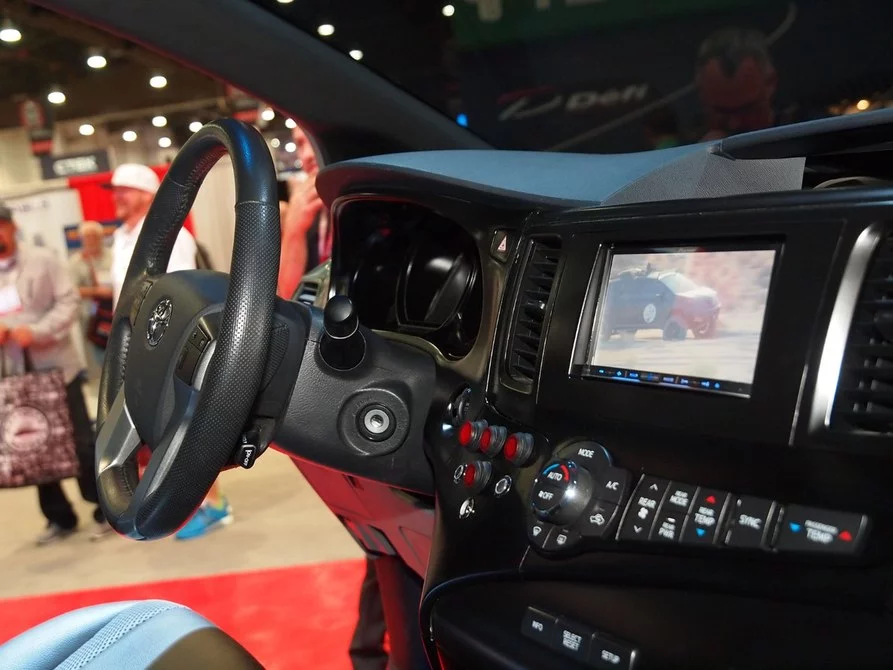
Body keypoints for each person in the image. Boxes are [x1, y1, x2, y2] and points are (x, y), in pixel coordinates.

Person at [278, 125, 387, 670]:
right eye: (293, 138)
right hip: (323, 385)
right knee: (377, 540)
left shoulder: (366, 200)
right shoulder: (308, 208)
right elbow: (278, 305)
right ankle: (371, 651)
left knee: (386, 541)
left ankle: (373, 652)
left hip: (372, 385)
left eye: (304, 134)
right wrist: (293, 229)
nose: (299, 147)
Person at [106, 163, 232, 540]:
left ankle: (213, 505)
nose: (116, 197)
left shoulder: (173, 239)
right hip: (134, 349)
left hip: (163, 350)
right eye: (114, 190)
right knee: (154, 430)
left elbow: (174, 301)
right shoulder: (122, 238)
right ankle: (181, 500)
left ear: (147, 195)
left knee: (184, 426)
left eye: (124, 190)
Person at [0, 205, 111, 544]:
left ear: (12, 226)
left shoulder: (43, 260)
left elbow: (68, 303)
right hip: (15, 374)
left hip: (57, 367)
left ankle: (103, 508)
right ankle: (59, 517)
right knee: (31, 444)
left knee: (78, 440)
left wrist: (36, 331)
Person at [695, 28, 778, 141]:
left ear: (770, 83)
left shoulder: (803, 135)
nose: (734, 124)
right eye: (722, 112)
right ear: (701, 93)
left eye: (746, 110)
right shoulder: (684, 149)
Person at [278, 126, 328, 299]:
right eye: (300, 143)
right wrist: (294, 231)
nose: (307, 155)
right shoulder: (307, 212)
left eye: (314, 139)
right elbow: (287, 297)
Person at [69, 221, 113, 375]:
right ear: (81, 239)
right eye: (87, 237)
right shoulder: (76, 261)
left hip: (115, 310)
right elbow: (72, 290)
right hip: (91, 315)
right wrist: (96, 291)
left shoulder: (113, 255)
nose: (91, 240)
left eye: (94, 236)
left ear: (101, 237)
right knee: (98, 354)